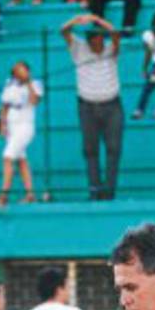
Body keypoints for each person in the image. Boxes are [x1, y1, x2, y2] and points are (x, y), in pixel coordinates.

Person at [63, 14, 123, 200]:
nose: (98, 44)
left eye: (100, 39)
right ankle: (94, 189)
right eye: (94, 40)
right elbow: (64, 31)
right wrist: (76, 20)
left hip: (111, 104)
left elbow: (116, 34)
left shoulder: (110, 49)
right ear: (88, 41)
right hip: (87, 105)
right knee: (90, 149)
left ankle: (109, 190)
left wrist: (97, 19)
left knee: (114, 148)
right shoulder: (79, 49)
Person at [0, 61, 43, 206]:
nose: (18, 74)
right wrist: (2, 124)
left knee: (8, 157)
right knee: (21, 160)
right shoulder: (10, 84)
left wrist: (28, 82)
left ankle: (3, 196)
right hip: (11, 126)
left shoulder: (36, 84)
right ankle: (30, 194)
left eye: (21, 71)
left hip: (25, 125)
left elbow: (34, 101)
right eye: (16, 72)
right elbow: (5, 105)